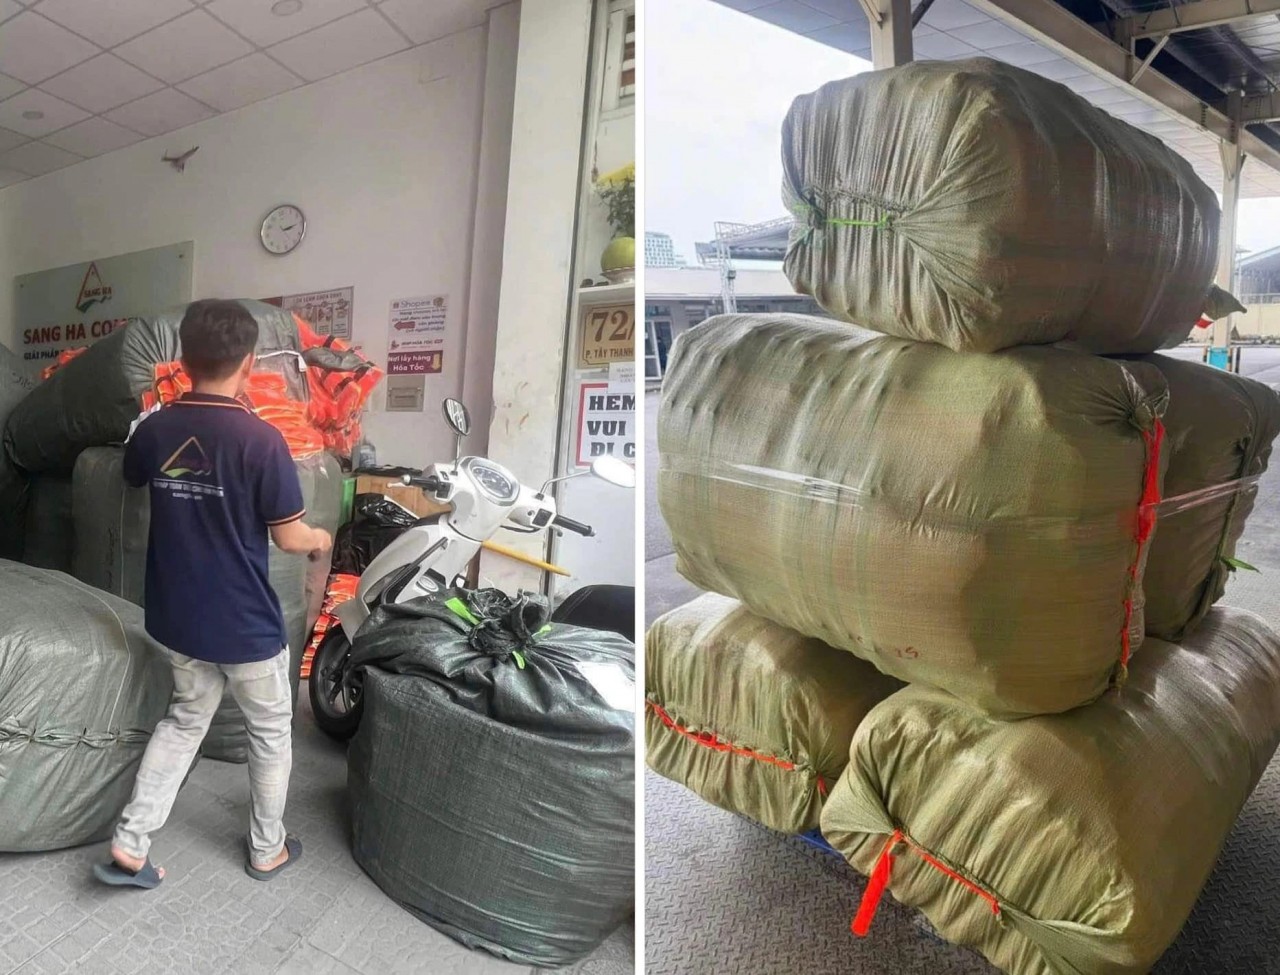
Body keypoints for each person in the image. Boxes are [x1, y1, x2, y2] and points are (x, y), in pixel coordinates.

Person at [93, 299, 332, 889]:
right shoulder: (261, 439)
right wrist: (322, 537)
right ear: (249, 362)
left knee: (182, 722)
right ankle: (267, 849)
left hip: (177, 617)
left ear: (183, 358)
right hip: (245, 623)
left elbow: (134, 474)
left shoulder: (157, 430)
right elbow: (289, 534)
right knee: (271, 732)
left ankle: (130, 844)